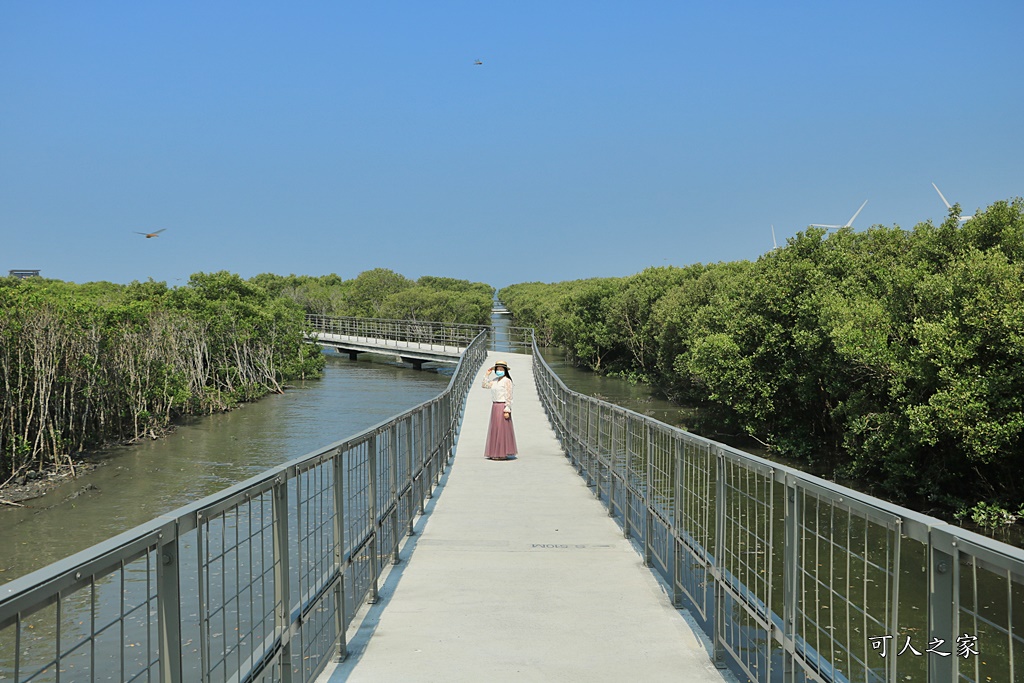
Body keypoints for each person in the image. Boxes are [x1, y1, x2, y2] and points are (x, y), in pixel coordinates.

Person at [481, 360, 518, 460]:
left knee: (502, 429)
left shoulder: (507, 381)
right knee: (496, 428)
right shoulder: (495, 380)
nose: (499, 370)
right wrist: (487, 375)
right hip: (495, 405)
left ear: (505, 370)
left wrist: (507, 408)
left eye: (501, 369)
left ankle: (502, 453)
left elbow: (509, 395)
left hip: (502, 406)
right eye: (498, 369)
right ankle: (495, 452)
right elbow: (484, 385)